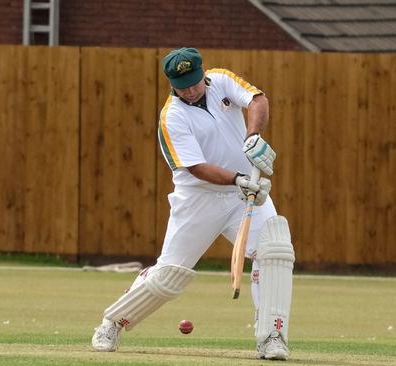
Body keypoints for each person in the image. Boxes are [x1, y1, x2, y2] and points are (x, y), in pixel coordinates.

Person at [91, 48, 295, 360]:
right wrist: (238, 178)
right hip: (199, 201)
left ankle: (272, 336)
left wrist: (253, 137)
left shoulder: (222, 80)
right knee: (169, 274)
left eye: (195, 82)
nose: (190, 90)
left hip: (243, 195)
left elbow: (258, 100)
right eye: (182, 85)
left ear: (203, 74)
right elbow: (196, 168)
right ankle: (112, 322)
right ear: (171, 83)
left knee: (275, 250)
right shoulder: (171, 117)